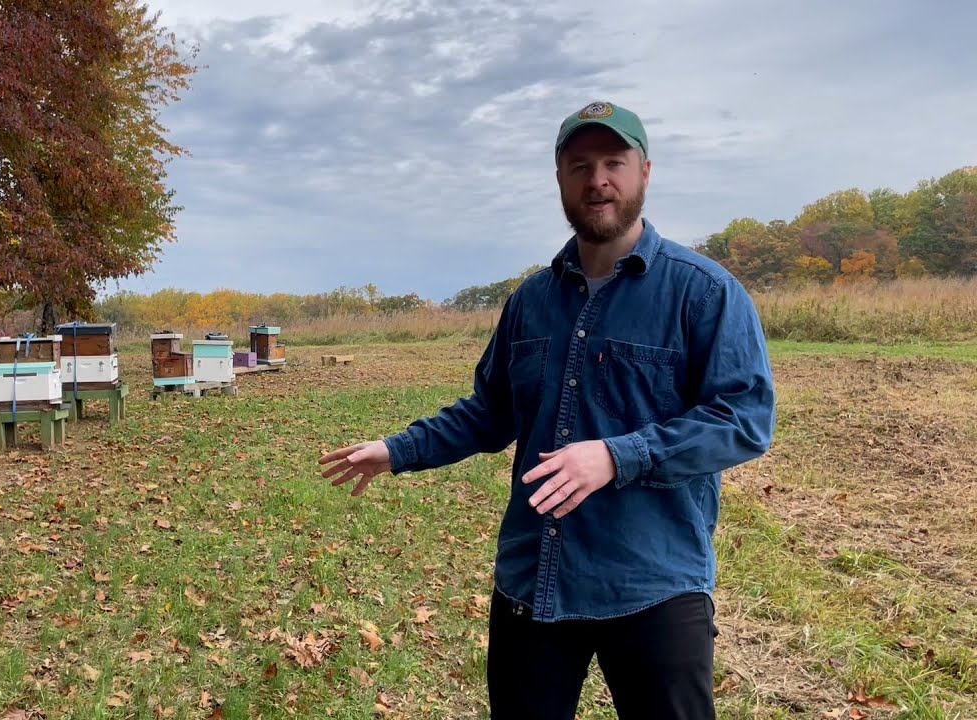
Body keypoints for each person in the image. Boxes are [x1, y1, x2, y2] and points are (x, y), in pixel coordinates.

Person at [318, 100, 776, 720]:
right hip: (534, 581)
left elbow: (743, 420)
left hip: (652, 584)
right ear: (559, 178)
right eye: (580, 166)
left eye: (614, 162)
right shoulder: (531, 301)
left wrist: (618, 456)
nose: (598, 180)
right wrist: (397, 450)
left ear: (646, 172)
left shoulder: (704, 293)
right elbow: (490, 412)